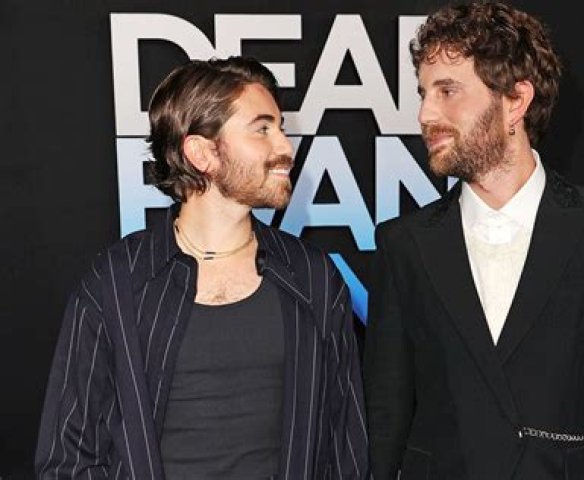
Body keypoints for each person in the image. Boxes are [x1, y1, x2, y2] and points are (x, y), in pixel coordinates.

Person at [363, 2, 584, 479]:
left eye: (447, 90)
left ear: (516, 101)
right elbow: (385, 416)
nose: (424, 114)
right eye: (423, 93)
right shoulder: (403, 245)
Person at [36, 56, 368, 480]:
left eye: (280, 129)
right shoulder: (115, 284)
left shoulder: (314, 278)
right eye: (262, 129)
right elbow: (68, 458)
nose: (285, 147)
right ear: (202, 153)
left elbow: (346, 448)